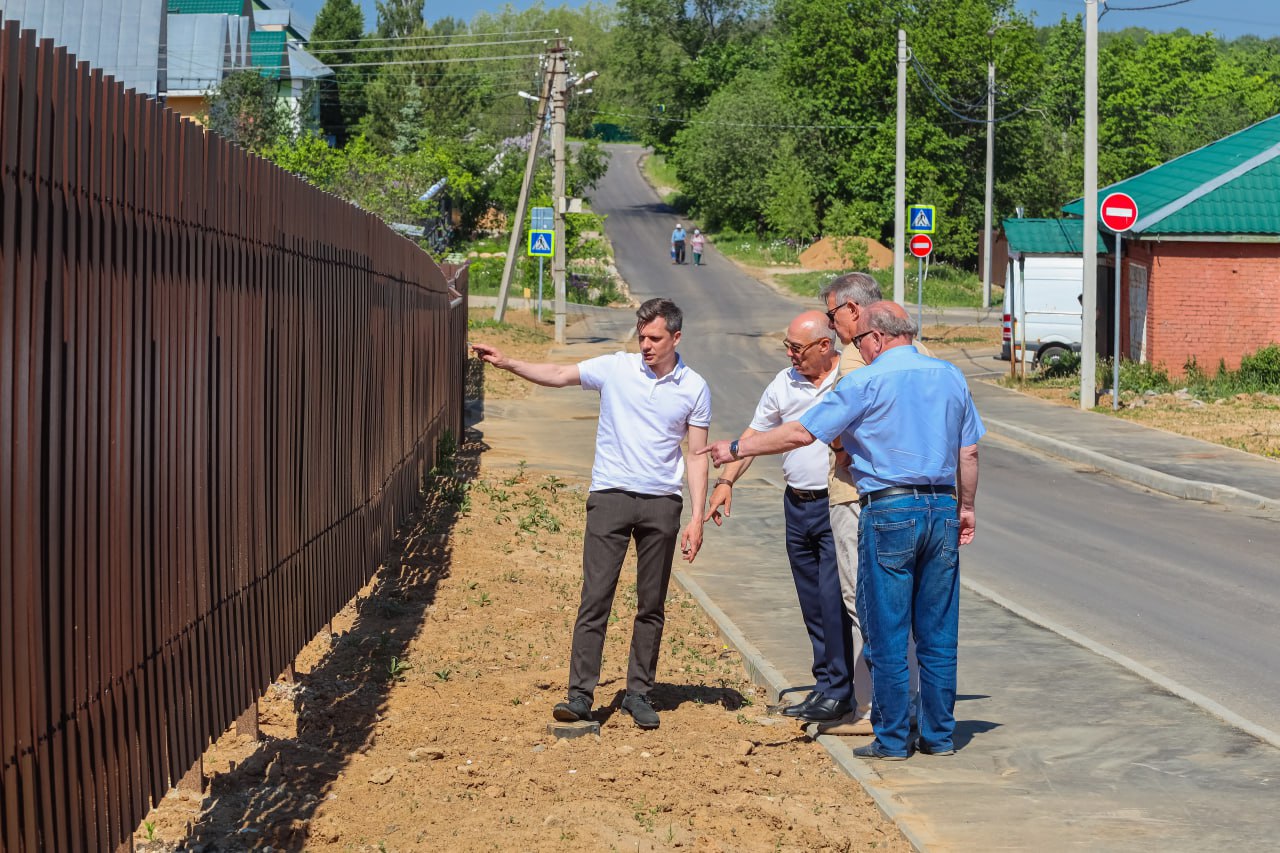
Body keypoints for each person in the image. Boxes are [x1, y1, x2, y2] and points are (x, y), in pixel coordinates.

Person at [700, 301, 983, 760]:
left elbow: (800, 434)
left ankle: (892, 739)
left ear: (877, 337)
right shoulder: (950, 375)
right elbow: (968, 453)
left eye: (860, 342)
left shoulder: (866, 381)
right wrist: (966, 507)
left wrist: (737, 448)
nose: (860, 350)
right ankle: (938, 736)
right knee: (936, 629)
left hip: (890, 509)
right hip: (943, 507)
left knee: (887, 628)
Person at [471, 298, 711, 731]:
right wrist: (508, 363)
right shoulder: (616, 368)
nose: (646, 345)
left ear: (676, 337)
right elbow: (560, 375)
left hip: (662, 502)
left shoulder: (694, 387)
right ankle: (580, 695)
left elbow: (696, 455)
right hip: (610, 498)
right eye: (642, 337)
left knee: (651, 603)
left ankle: (638, 693)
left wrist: (695, 517)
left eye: (655, 338)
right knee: (595, 596)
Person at [703, 311, 853, 724]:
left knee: (833, 599)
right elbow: (753, 438)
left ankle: (840, 691)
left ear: (825, 346)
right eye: (787, 346)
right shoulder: (783, 383)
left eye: (796, 348)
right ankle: (825, 686)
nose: (790, 355)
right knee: (812, 603)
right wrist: (725, 483)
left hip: (835, 504)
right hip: (797, 506)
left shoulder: (851, 376)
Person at [813, 273, 928, 737]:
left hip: (860, 493)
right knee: (910, 608)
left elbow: (842, 433)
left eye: (832, 313)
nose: (830, 323)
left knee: (866, 603)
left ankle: (880, 709)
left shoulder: (860, 360)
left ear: (855, 312)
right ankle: (901, 707)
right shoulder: (919, 354)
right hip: (917, 497)